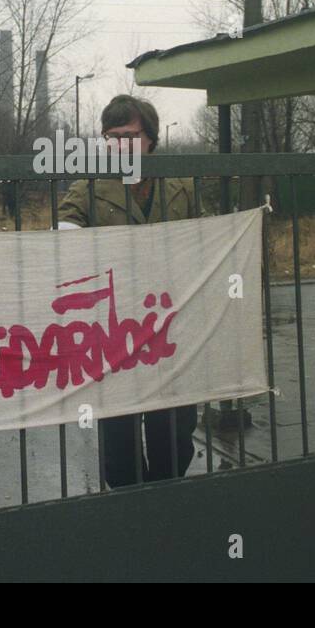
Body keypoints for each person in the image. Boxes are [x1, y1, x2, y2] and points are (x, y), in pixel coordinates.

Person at [55, 94, 199, 488]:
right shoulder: (89, 187)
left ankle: (165, 508)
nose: (120, 145)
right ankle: (129, 513)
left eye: (130, 136)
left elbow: (207, 238)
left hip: (172, 329)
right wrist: (69, 237)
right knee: (118, 442)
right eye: (112, 136)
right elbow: (65, 226)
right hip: (113, 334)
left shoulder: (182, 186)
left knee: (173, 435)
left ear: (151, 138)